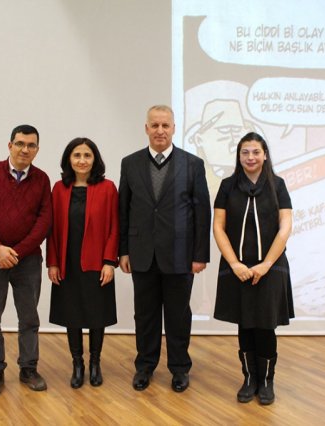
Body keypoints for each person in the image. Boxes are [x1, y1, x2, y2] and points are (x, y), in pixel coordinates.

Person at [119, 105, 211, 393]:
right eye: (155, 125)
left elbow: (202, 212)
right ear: (146, 128)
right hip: (142, 253)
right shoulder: (130, 163)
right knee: (145, 315)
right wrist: (123, 251)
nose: (160, 131)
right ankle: (145, 367)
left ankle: (179, 368)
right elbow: (123, 210)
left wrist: (200, 255)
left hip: (181, 255)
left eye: (165, 125)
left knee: (178, 315)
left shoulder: (192, 164)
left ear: (174, 128)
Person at [0, 124, 52, 397]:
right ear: (10, 145)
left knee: (29, 318)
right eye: (20, 144)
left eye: (31, 145)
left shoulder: (42, 180)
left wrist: (16, 252)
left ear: (37, 150)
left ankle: (28, 369)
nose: (25, 149)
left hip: (27, 262)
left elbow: (44, 222)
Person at [212, 132, 293, 405]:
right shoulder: (227, 186)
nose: (250, 157)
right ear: (239, 156)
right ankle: (249, 379)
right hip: (238, 268)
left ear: (265, 155)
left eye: (256, 152)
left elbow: (285, 227)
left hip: (271, 267)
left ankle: (267, 381)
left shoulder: (278, 185)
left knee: (266, 326)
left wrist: (266, 264)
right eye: (245, 152)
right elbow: (218, 227)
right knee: (245, 324)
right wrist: (235, 264)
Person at [46, 137, 118, 389]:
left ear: (95, 159)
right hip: (67, 264)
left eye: (87, 155)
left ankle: (95, 363)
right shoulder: (58, 189)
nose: (82, 160)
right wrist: (53, 262)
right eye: (77, 155)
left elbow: (115, 226)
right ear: (69, 159)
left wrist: (109, 262)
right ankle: (77, 364)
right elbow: (51, 230)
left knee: (97, 314)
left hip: (97, 263)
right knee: (72, 314)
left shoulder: (108, 188)